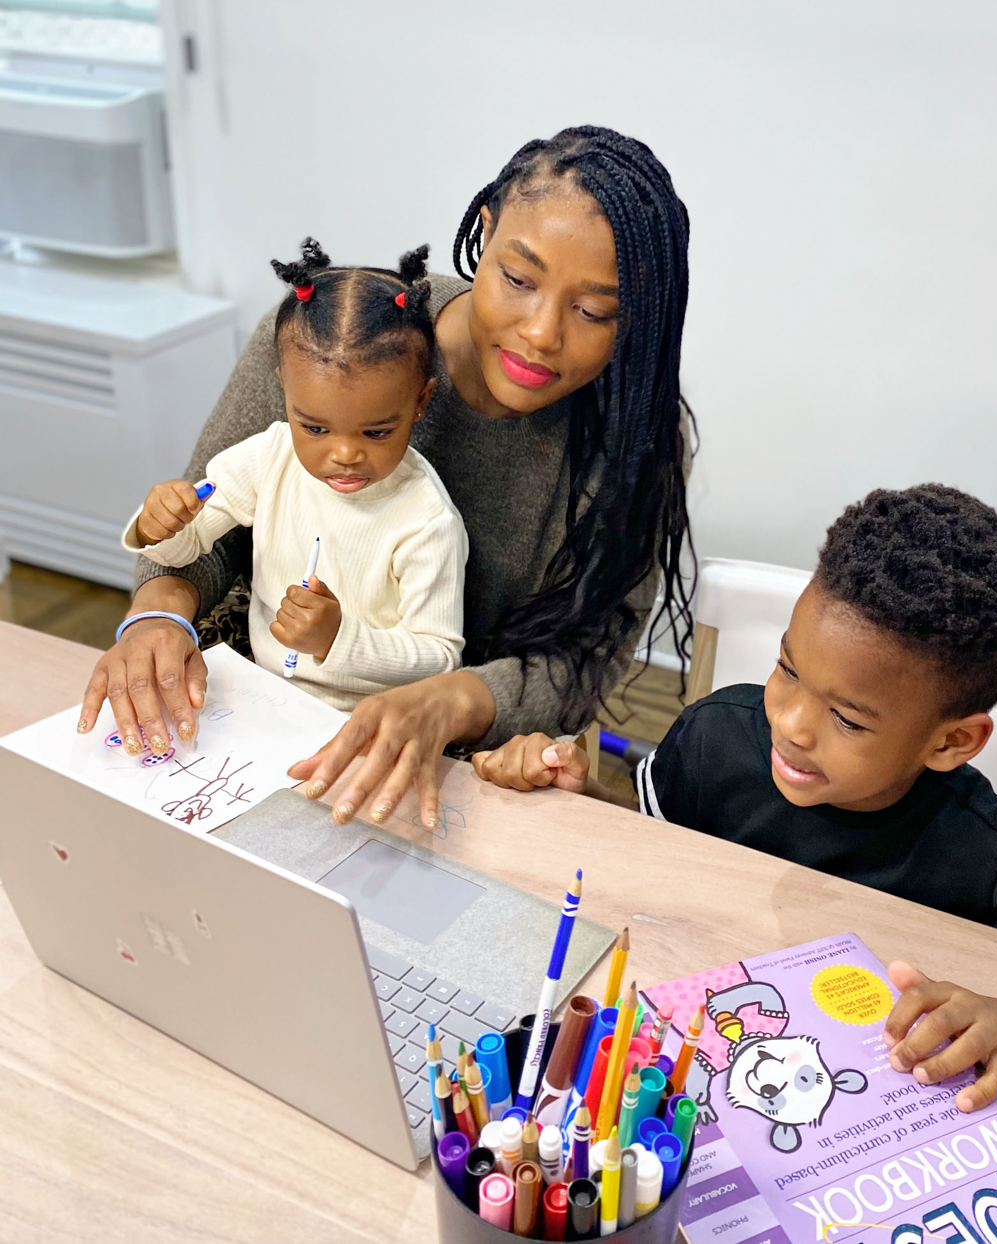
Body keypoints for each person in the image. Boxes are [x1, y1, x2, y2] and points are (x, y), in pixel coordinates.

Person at [470, 484, 997, 1109]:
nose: (786, 722)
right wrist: (586, 798)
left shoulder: (995, 856)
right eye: (786, 667)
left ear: (951, 741)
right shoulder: (717, 736)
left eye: (847, 718)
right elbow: (667, 850)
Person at [78, 126, 694, 826]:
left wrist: (451, 700)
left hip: (464, 768)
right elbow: (203, 522)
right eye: (517, 280)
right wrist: (157, 613)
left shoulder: (632, 437)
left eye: (594, 311)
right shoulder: (337, 340)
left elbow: (581, 660)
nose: (541, 333)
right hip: (245, 720)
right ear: (485, 233)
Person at [118, 240, 467, 713]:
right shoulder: (269, 457)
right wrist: (158, 525)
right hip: (259, 694)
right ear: (284, 387)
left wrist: (339, 638)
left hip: (371, 722)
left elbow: (440, 658)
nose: (344, 454)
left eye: (377, 431)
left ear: (420, 403)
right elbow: (189, 547)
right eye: (315, 427)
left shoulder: (427, 522)